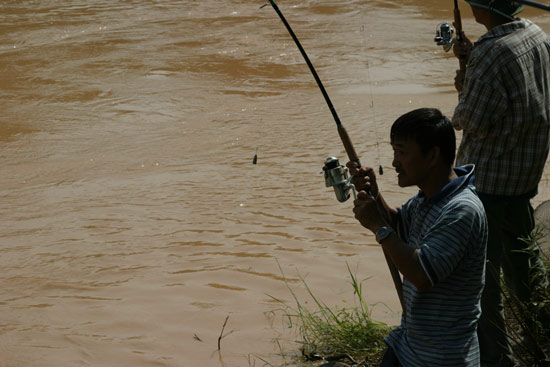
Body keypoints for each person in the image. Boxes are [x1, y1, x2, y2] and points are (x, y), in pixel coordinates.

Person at [348, 108, 488, 367]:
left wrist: (378, 226)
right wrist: (374, 194)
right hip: (410, 345)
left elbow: (422, 274)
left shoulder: (462, 209)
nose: (394, 162)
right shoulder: (428, 198)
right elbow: (399, 228)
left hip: (441, 356)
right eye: (393, 151)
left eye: (402, 152)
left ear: (433, 155)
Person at [452, 1, 550, 365]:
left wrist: (465, 83)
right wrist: (473, 58)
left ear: (483, 6)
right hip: (523, 175)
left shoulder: (490, 54)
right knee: (524, 264)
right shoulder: (537, 34)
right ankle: (540, 332)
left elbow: (469, 119)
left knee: (484, 282)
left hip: (488, 181)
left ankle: (498, 359)